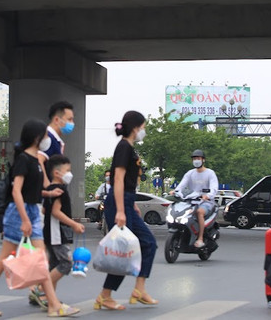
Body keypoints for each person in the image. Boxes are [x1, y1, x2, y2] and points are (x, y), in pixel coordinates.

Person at [0, 119, 79, 317]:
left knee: (40, 260)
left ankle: (53, 304)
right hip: (20, 213)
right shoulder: (23, 160)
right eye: (45, 136)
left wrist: (47, 195)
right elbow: (17, 191)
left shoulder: (36, 160)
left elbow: (31, 190)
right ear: (37, 138)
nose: (47, 139)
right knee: (5, 258)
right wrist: (25, 220)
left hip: (32, 211)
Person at [94, 110, 158, 311]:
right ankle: (105, 295)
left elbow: (128, 183)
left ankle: (139, 289)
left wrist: (132, 205)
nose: (144, 131)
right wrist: (121, 210)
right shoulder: (123, 147)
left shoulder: (130, 148)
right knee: (123, 250)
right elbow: (118, 179)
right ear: (135, 128)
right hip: (118, 202)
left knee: (149, 243)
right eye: (143, 127)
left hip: (127, 201)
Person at [43, 154, 85, 291]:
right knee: (66, 264)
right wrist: (74, 224)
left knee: (54, 264)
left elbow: (44, 210)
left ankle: (49, 298)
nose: (69, 174)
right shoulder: (59, 190)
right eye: (67, 171)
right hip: (56, 233)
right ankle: (40, 290)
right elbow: (56, 212)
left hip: (49, 231)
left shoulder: (50, 189)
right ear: (56, 173)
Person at [170, 149, 218, 248]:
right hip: (191, 201)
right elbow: (182, 185)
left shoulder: (210, 173)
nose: (196, 160)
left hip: (206, 202)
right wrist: (175, 191)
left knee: (199, 212)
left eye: (198, 158)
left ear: (203, 160)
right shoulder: (190, 173)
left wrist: (207, 195)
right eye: (194, 158)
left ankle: (200, 238)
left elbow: (214, 188)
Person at [41, 101, 75, 177]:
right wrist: (47, 185)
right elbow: (39, 161)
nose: (72, 123)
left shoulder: (56, 140)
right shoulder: (48, 138)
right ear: (56, 120)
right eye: (69, 119)